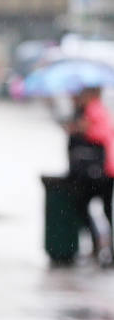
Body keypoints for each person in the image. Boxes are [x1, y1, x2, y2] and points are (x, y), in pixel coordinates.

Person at [66, 85, 114, 265]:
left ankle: (99, 246)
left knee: (86, 206)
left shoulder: (94, 109)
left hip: (102, 171)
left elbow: (101, 134)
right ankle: (103, 248)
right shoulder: (96, 109)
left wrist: (82, 130)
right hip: (105, 170)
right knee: (106, 210)